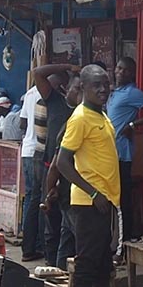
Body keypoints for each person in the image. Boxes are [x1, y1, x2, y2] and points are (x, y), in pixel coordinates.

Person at [57, 64, 129, 287]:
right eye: (96, 85)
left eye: (106, 84)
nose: (103, 90)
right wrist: (93, 192)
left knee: (102, 266)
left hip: (106, 202)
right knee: (86, 264)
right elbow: (63, 162)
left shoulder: (102, 115)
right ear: (83, 88)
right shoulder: (80, 118)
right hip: (88, 203)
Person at [106, 56, 143, 247]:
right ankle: (113, 241)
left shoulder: (133, 93)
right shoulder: (113, 92)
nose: (120, 72)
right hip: (108, 154)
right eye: (118, 68)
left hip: (122, 155)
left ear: (132, 73)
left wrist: (133, 125)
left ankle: (124, 245)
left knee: (122, 201)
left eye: (125, 70)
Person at [34, 64, 80, 267]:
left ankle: (62, 266)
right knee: (51, 220)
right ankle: (50, 265)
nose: (79, 94)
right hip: (51, 168)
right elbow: (39, 73)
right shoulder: (55, 101)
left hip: (73, 174)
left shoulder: (84, 114)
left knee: (68, 224)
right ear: (66, 88)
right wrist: (68, 67)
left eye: (82, 89)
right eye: (76, 88)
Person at [43, 75, 83, 270]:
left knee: (67, 241)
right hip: (74, 194)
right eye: (78, 89)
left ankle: (58, 281)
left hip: (71, 193)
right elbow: (57, 165)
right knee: (82, 245)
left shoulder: (81, 119)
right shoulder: (76, 122)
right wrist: (50, 190)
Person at [20, 84, 43, 261]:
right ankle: (32, 246)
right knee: (37, 199)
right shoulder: (45, 93)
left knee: (30, 198)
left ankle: (29, 244)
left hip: (27, 149)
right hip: (37, 151)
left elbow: (22, 122)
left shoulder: (29, 92)